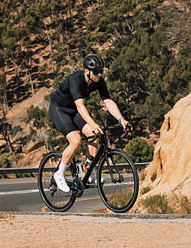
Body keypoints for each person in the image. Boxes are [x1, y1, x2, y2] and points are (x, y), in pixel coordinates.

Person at [48, 54, 130, 192]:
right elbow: (80, 106)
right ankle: (59, 174)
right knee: (76, 140)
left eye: (101, 71)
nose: (99, 74)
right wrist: (93, 123)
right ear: (87, 71)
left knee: (94, 135)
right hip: (59, 109)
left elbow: (108, 101)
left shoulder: (99, 81)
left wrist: (121, 119)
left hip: (73, 110)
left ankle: (89, 172)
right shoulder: (76, 79)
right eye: (96, 71)